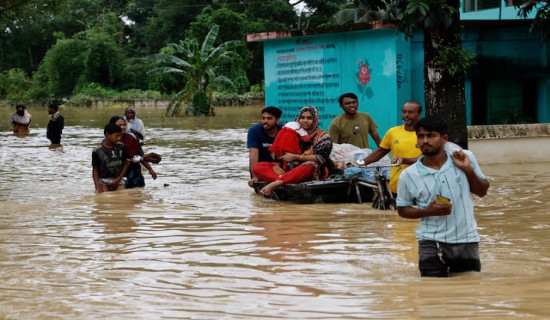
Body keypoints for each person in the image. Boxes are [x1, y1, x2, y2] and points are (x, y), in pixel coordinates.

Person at [396, 116, 490, 277]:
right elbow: (402, 210)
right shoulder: (408, 175)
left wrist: (468, 170)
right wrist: (427, 211)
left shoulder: (464, 158)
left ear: (444, 138)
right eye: (420, 136)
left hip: (465, 239)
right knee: (432, 293)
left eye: (431, 135)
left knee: (468, 290)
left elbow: (481, 191)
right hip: (429, 241)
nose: (425, 141)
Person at [253, 106, 333, 197]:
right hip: (289, 170)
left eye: (309, 118)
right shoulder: (292, 132)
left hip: (313, 170)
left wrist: (296, 157)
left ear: (315, 120)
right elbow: (276, 154)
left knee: (310, 165)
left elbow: (321, 159)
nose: (305, 121)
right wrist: (281, 156)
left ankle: (276, 183)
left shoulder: (323, 136)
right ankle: (286, 178)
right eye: (302, 118)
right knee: (258, 167)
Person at [361, 101, 423, 194]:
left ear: (418, 114)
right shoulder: (393, 132)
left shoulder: (425, 135)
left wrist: (404, 160)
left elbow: (429, 160)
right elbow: (381, 151)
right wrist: (361, 163)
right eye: (404, 112)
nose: (406, 115)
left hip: (420, 186)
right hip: (396, 185)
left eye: (410, 112)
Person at [110, 116, 157, 188]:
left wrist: (150, 170)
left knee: (137, 195)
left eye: (124, 125)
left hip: (135, 176)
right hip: (118, 177)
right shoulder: (109, 141)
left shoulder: (132, 138)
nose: (123, 127)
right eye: (120, 125)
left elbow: (140, 155)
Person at [247, 106, 283, 187]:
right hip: (260, 168)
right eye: (263, 118)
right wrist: (255, 176)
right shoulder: (254, 131)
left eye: (269, 119)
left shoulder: (283, 130)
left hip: (278, 167)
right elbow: (253, 155)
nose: (265, 121)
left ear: (277, 120)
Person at [92, 123, 131, 193]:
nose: (119, 138)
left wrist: (118, 179)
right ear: (107, 135)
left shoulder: (121, 147)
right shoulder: (97, 151)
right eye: (117, 136)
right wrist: (97, 187)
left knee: (122, 196)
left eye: (120, 136)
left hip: (119, 179)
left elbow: (126, 164)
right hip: (103, 181)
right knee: (105, 197)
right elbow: (95, 170)